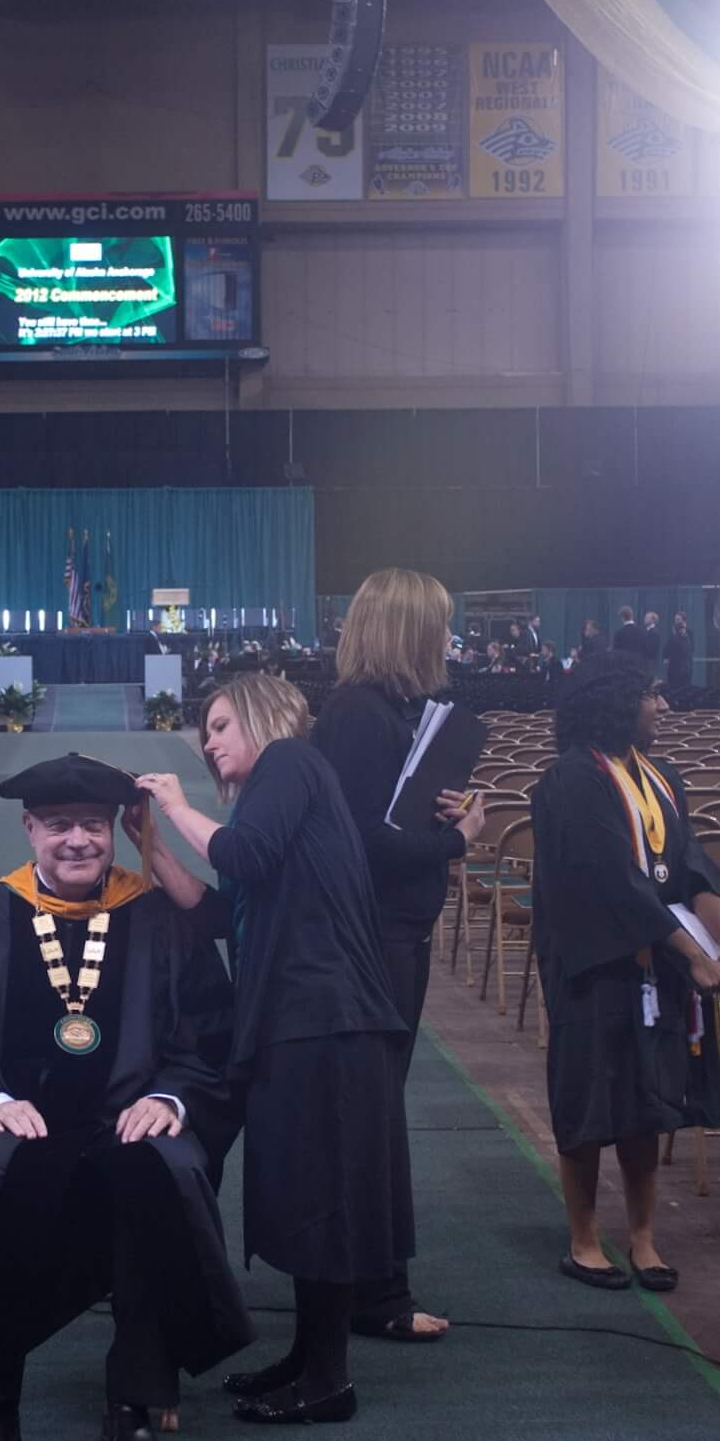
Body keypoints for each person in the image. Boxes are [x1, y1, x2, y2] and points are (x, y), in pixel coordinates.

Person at [0, 754, 252, 1441]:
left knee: (160, 1163)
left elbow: (209, 1038)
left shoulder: (158, 917)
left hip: (126, 1116)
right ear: (29, 828)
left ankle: (132, 1405)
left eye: (92, 825)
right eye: (58, 825)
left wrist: (174, 1097)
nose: (77, 841)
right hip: (16, 1119)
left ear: (114, 833)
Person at [135, 673, 411, 1426]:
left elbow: (243, 857)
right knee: (301, 1196)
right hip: (299, 1022)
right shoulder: (277, 797)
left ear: (262, 716)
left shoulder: (289, 761)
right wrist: (152, 848)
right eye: (205, 730)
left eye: (221, 724)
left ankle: (327, 1380)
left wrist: (176, 804)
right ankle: (308, 1359)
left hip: (324, 1019)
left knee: (319, 1200)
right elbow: (222, 908)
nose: (209, 741)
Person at [528, 654, 720, 1292]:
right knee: (590, 1098)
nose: (664, 707)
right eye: (653, 694)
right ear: (618, 701)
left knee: (647, 1101)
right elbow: (612, 883)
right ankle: (584, 1238)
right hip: (593, 965)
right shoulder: (569, 780)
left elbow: (692, 866)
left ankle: (645, 1239)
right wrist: (694, 954)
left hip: (658, 965)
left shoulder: (663, 777)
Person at [311, 568, 485, 1345]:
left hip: (394, 935)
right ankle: (372, 1291)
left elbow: (384, 817)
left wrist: (438, 808)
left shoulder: (390, 712)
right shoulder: (358, 713)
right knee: (368, 1121)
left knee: (373, 1118)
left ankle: (366, 1283)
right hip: (371, 938)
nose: (449, 641)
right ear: (410, 630)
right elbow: (361, 842)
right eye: (440, 625)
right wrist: (455, 837)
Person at [662, 612, 695, 690]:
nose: (676, 621)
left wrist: (683, 637)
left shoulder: (689, 633)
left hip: (684, 668)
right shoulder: (673, 633)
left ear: (684, 620)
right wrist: (665, 656)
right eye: (675, 619)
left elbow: (691, 649)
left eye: (678, 619)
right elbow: (667, 647)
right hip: (673, 667)